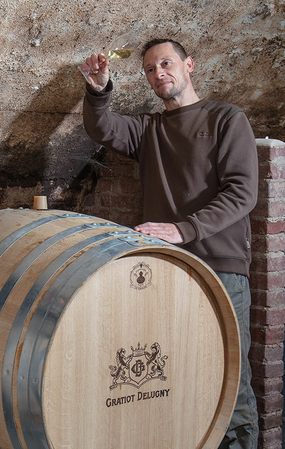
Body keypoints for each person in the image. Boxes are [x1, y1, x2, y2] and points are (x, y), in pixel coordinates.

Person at [81, 39, 259, 448]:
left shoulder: (226, 119)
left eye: (166, 63)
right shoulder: (149, 129)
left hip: (221, 267)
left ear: (189, 65)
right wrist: (98, 89)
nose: (158, 72)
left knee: (231, 379)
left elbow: (241, 193)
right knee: (176, 376)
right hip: (169, 269)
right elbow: (103, 127)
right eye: (149, 69)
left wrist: (184, 229)